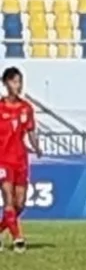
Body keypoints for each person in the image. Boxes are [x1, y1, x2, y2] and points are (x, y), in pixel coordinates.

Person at [0, 67, 38, 252]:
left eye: (20, 82)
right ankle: (18, 239)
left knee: (19, 204)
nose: (18, 85)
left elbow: (31, 131)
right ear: (6, 83)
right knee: (8, 198)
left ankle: (2, 228)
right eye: (14, 82)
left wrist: (37, 147)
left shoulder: (26, 108)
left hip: (21, 160)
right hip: (3, 161)